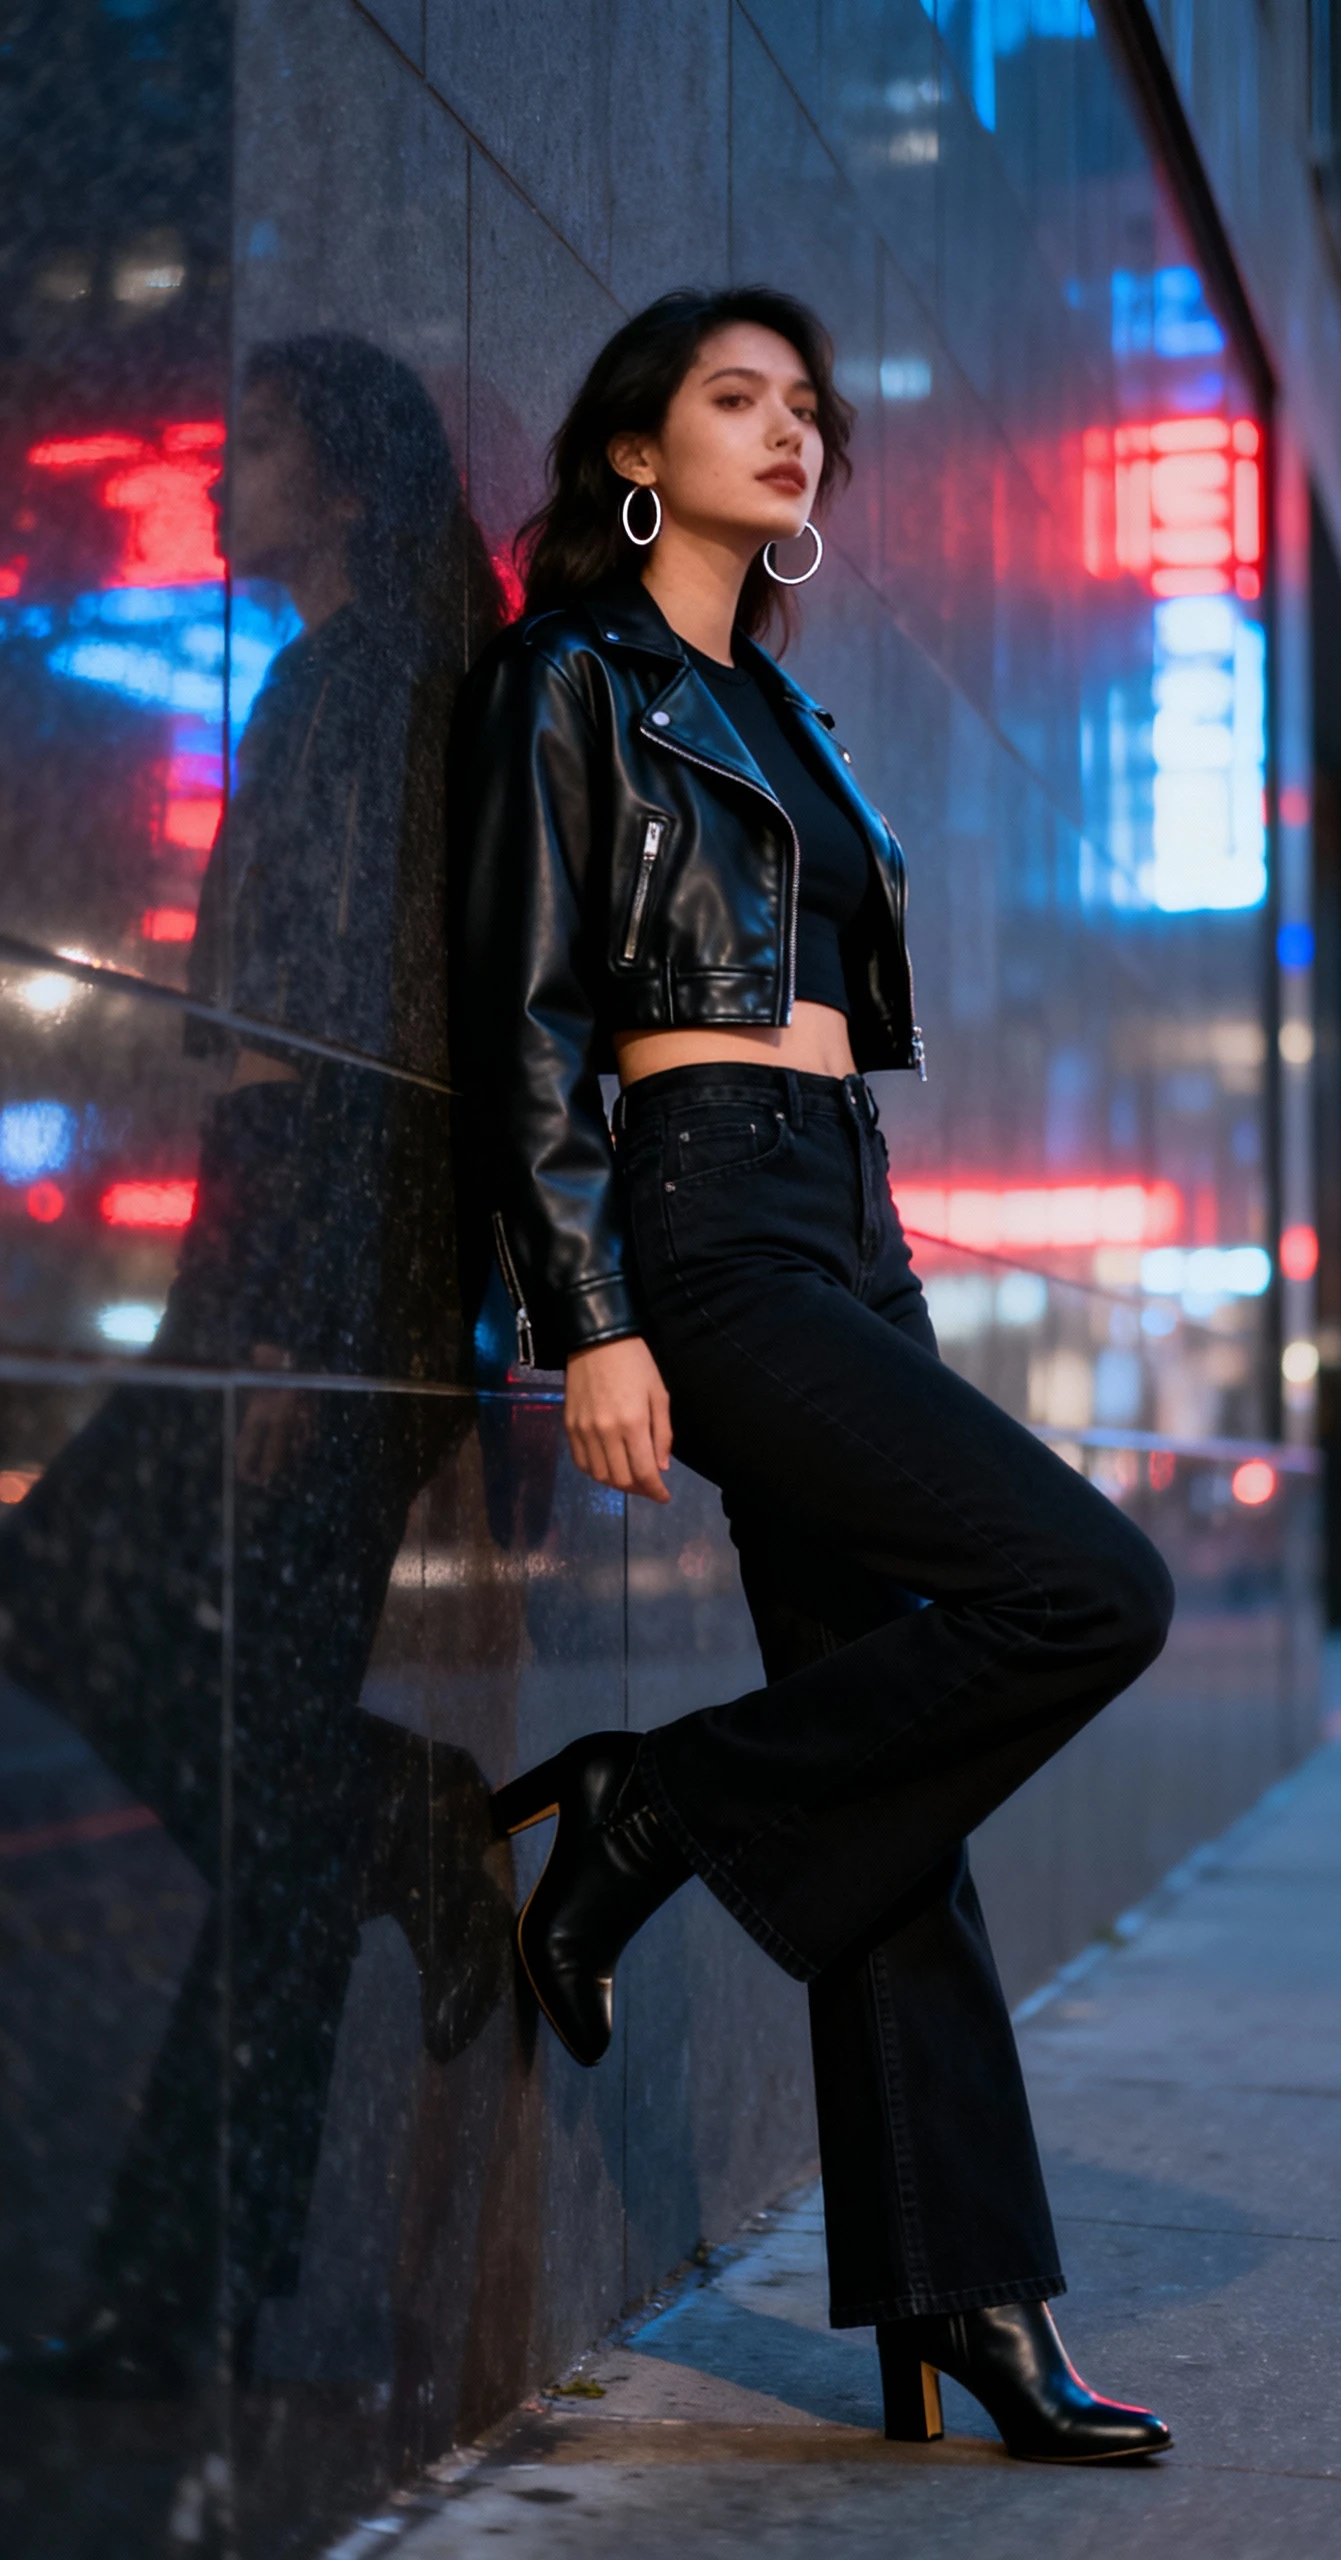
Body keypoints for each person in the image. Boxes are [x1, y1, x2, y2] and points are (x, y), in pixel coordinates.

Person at [449, 287, 1176, 2462]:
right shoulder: (577, 678)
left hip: (848, 1218)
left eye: (807, 410)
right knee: (1092, 1590)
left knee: (900, 1770)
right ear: (636, 454)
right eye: (734, 400)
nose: (790, 433)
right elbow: (528, 1016)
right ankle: (647, 1803)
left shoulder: (792, 716)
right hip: (708, 1218)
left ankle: (968, 2287)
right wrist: (593, 1309)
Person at [1, 335, 516, 2398]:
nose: (230, 480)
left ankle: (170, 2294)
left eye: (267, 446)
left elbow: (363, 1031)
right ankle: (406, 1840)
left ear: (360, 472)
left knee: (72, 1597)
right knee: (274, 1771)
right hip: (323, 1278)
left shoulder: (363, 684)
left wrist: (296, 1314)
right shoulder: (376, 676)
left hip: (314, 1289)